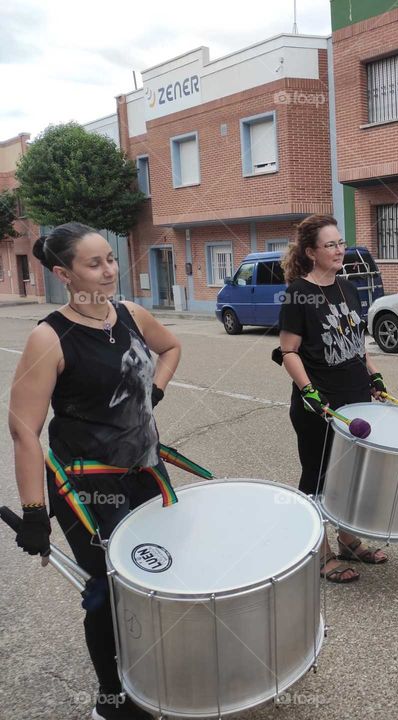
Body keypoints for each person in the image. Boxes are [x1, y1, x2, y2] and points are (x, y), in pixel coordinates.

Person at [9, 223, 182, 719]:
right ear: (64, 273)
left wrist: (156, 392)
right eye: (94, 263)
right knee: (108, 590)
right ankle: (112, 700)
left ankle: (152, 669)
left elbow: (169, 349)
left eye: (111, 258)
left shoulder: (131, 314)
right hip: (86, 486)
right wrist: (35, 514)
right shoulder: (49, 337)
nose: (109, 271)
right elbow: (24, 430)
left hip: (145, 473)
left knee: (161, 574)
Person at [278, 214, 388, 582]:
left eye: (341, 243)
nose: (340, 250)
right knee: (319, 477)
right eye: (331, 245)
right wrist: (308, 392)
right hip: (319, 405)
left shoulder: (349, 288)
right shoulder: (298, 292)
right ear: (311, 252)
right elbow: (288, 351)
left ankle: (348, 540)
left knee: (352, 475)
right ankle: (320, 551)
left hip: (356, 399)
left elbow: (357, 343)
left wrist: (374, 376)